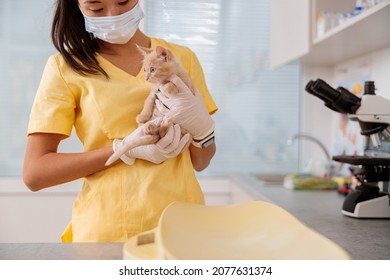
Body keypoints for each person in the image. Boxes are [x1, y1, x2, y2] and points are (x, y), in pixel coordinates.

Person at [22, 0, 217, 242]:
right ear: (78, 6)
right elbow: (35, 173)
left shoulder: (181, 59)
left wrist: (204, 130)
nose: (113, 15)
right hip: (108, 232)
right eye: (96, 8)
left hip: (182, 230)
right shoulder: (65, 68)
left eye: (123, 1)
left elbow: (201, 161)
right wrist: (123, 150)